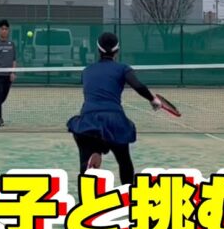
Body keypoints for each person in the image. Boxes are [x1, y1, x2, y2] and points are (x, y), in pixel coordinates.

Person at [66, 32, 164, 186]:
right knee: (124, 161)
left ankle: (94, 156)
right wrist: (153, 99)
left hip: (88, 120)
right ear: (117, 51)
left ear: (98, 50)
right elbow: (138, 85)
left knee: (86, 154)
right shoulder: (123, 68)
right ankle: (127, 191)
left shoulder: (87, 71)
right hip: (114, 120)